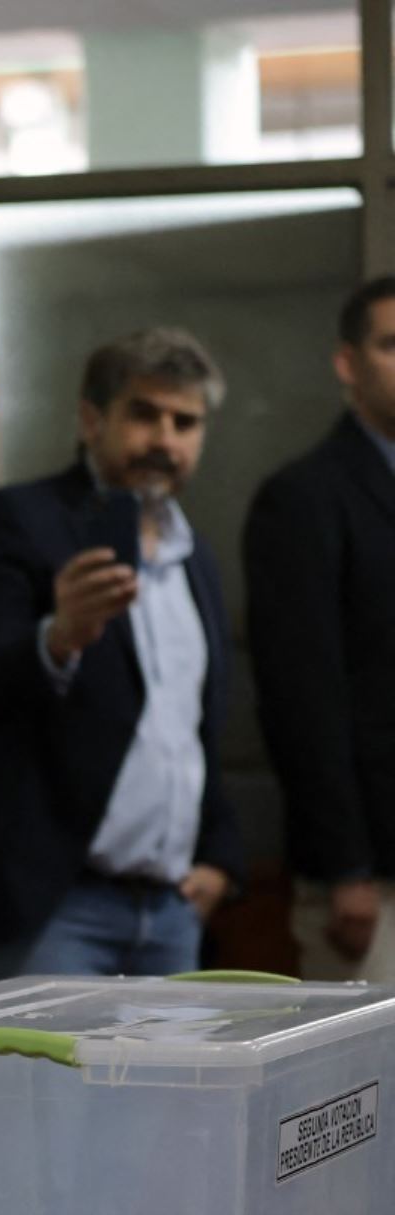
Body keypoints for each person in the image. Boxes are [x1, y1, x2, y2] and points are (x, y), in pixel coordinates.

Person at [0, 328, 245, 987]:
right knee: (42, 1095)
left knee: (166, 1094)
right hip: (46, 906)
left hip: (169, 909)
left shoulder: (194, 557)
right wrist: (58, 637)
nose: (165, 439)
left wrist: (220, 855)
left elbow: (187, 727)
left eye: (185, 422)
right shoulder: (19, 519)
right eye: (144, 413)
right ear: (90, 418)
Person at [245, 276, 395, 983]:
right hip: (370, 877)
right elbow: (303, 697)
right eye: (393, 345)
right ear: (347, 363)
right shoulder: (303, 498)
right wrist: (345, 868)